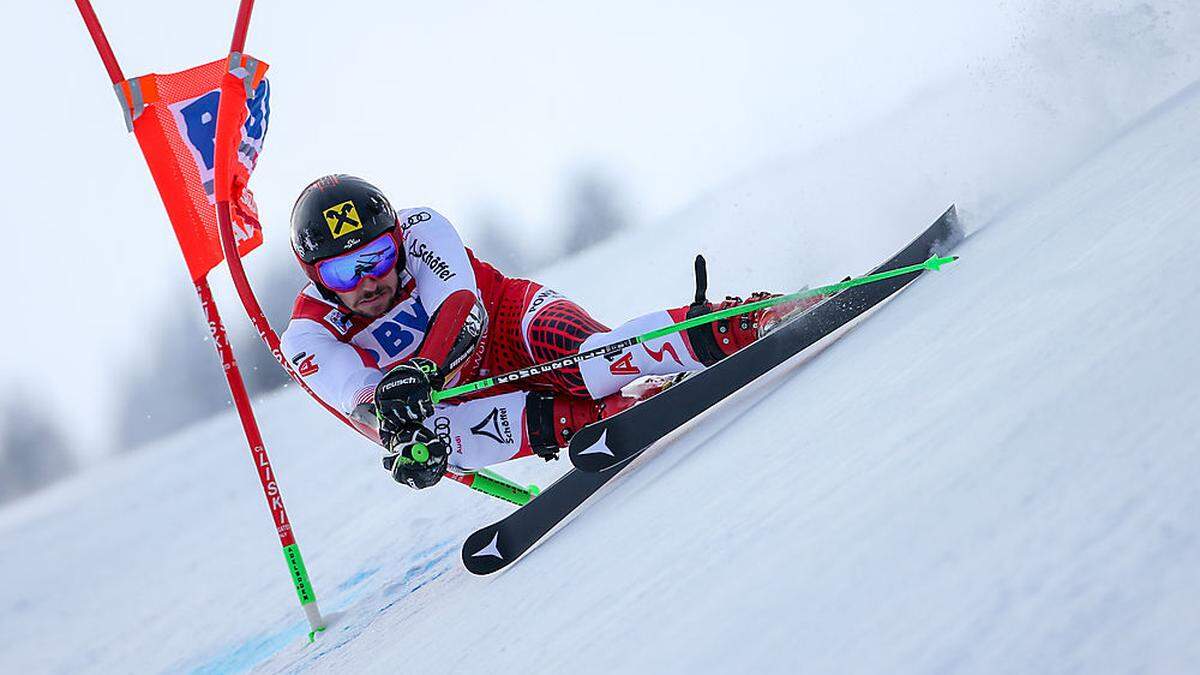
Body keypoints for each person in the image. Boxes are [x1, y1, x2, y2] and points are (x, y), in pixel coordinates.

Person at [281, 175, 806, 490]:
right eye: (343, 273)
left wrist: (418, 369)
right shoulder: (306, 336)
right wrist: (402, 443)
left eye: (378, 257)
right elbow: (359, 399)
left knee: (592, 362)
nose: (370, 280)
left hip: (508, 322)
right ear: (314, 277)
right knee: (441, 436)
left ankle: (747, 322)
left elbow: (461, 305)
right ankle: (618, 413)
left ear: (396, 239)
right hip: (463, 395)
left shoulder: (421, 227)